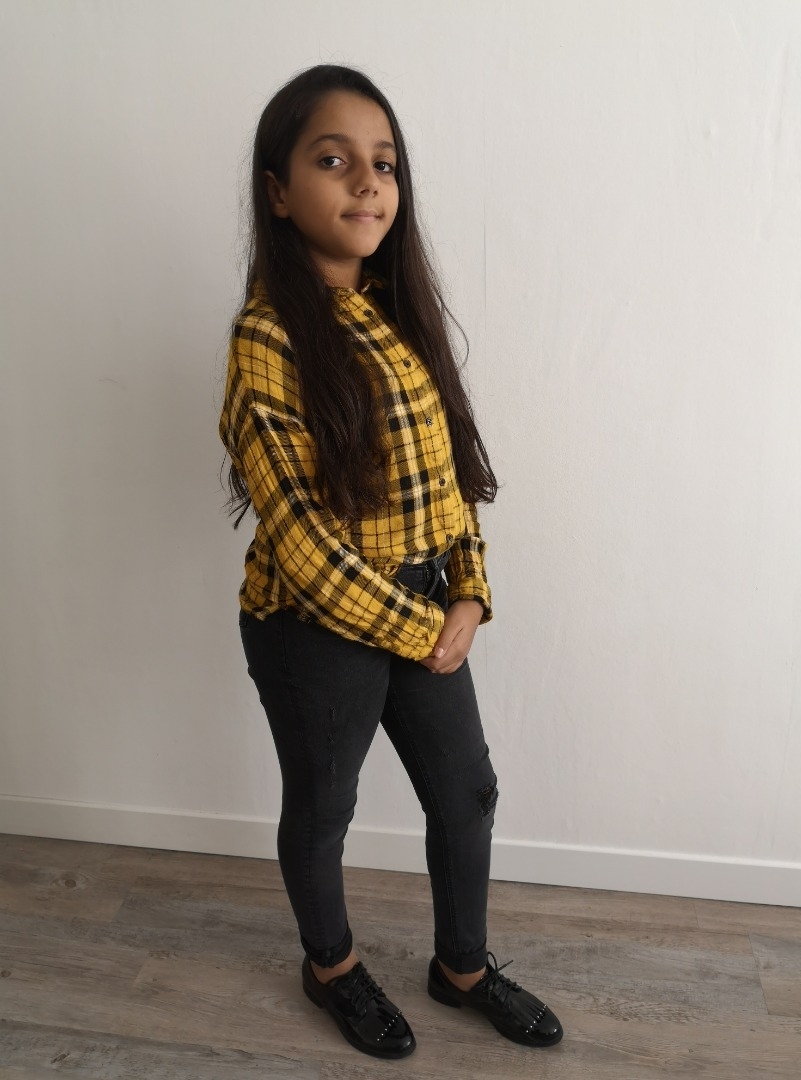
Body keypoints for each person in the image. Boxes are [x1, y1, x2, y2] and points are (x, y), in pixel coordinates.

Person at [219, 63, 563, 1061]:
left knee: (466, 794)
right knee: (324, 807)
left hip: (423, 611)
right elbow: (300, 540)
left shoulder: (398, 316)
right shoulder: (266, 337)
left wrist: (469, 592)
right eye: (333, 161)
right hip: (310, 624)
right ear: (278, 191)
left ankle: (461, 969)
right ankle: (329, 966)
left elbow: (449, 483)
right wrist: (426, 630)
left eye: (384, 163)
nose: (368, 182)